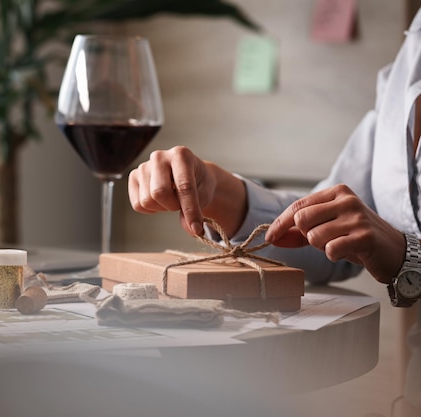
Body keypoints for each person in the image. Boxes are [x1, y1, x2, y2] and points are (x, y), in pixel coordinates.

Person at [128, 8, 421, 417]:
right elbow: (327, 238)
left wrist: (409, 257)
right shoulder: (411, 53)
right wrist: (218, 191)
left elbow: (397, 245)